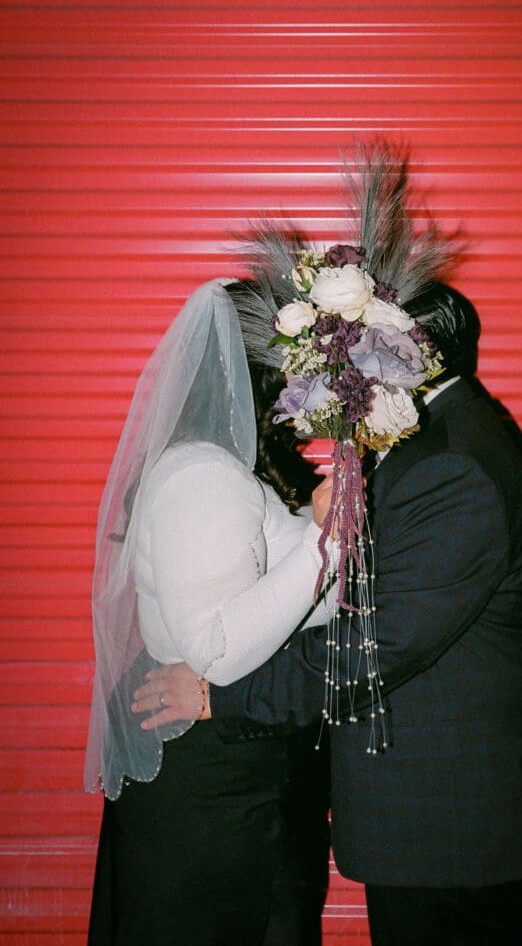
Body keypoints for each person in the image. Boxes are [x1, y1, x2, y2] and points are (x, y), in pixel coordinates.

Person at [137, 278, 522, 945]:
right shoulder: (440, 443)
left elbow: (378, 645)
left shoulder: (451, 466)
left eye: (363, 342)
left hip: (451, 823)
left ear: (407, 353)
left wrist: (218, 697)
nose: (344, 363)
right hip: (446, 820)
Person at [84, 279, 335, 945]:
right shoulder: (204, 477)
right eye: (296, 372)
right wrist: (327, 542)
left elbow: (294, 603)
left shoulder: (227, 468)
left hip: (233, 770)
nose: (304, 392)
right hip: (216, 786)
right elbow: (216, 649)